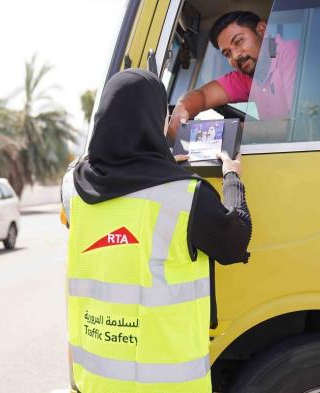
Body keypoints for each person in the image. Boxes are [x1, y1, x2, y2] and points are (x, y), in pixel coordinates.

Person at [67, 69, 252, 393]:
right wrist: (232, 177)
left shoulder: (73, 188)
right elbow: (234, 242)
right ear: (153, 120)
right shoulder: (186, 195)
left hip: (96, 382)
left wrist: (167, 167)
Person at [169, 10, 300, 140]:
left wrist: (225, 131)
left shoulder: (291, 53)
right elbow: (203, 95)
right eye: (227, 54)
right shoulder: (246, 75)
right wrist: (181, 107)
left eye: (238, 42)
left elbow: (297, 125)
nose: (236, 56)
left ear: (262, 30)